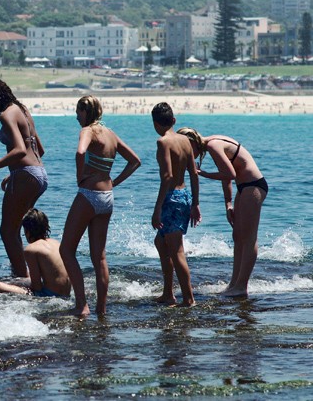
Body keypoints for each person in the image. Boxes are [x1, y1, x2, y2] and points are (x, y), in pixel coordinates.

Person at [59, 95, 141, 317]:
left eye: (78, 112)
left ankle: (81, 305)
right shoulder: (110, 134)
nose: (76, 117)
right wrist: (115, 181)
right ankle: (102, 309)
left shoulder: (88, 131)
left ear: (86, 112)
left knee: (66, 250)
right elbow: (135, 161)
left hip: (88, 194)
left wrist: (79, 176)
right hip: (107, 197)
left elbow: (80, 152)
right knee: (100, 257)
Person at [177, 127, 266, 298]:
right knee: (238, 236)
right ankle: (234, 283)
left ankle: (241, 286)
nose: (187, 155)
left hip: (253, 186)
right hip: (244, 187)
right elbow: (228, 175)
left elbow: (230, 174)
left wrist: (202, 173)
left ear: (192, 143)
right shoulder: (212, 143)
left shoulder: (213, 145)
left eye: (186, 150)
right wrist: (228, 204)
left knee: (248, 237)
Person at [0, 79, 48, 278]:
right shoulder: (22, 110)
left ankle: (23, 278)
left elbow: (19, 150)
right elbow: (39, 150)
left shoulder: (7, 114)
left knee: (7, 231)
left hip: (27, 175)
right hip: (39, 174)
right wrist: (14, 173)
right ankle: (27, 273)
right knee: (15, 228)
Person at [151, 103, 201, 307]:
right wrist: (195, 203)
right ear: (173, 120)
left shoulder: (163, 142)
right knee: (161, 243)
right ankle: (168, 293)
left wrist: (157, 209)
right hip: (184, 195)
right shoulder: (185, 141)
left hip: (171, 198)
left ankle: (189, 298)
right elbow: (194, 174)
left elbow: (167, 177)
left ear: (155, 123)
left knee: (177, 250)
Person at [0, 208, 72, 298]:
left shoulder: (31, 249)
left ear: (27, 231)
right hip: (66, 292)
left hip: (50, 294)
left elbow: (37, 287)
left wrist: (18, 283)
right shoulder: (56, 243)